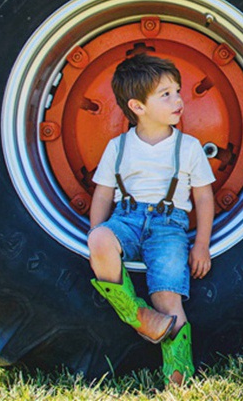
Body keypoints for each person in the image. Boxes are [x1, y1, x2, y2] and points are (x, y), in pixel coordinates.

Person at [87, 53, 216, 386]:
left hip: (168, 227)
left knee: (167, 294)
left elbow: (203, 197)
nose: (179, 100)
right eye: (166, 94)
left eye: (177, 90)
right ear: (138, 107)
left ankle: (178, 375)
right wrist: (96, 236)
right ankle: (138, 317)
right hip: (125, 220)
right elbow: (102, 195)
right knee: (99, 239)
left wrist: (201, 243)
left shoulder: (189, 147)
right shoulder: (117, 146)